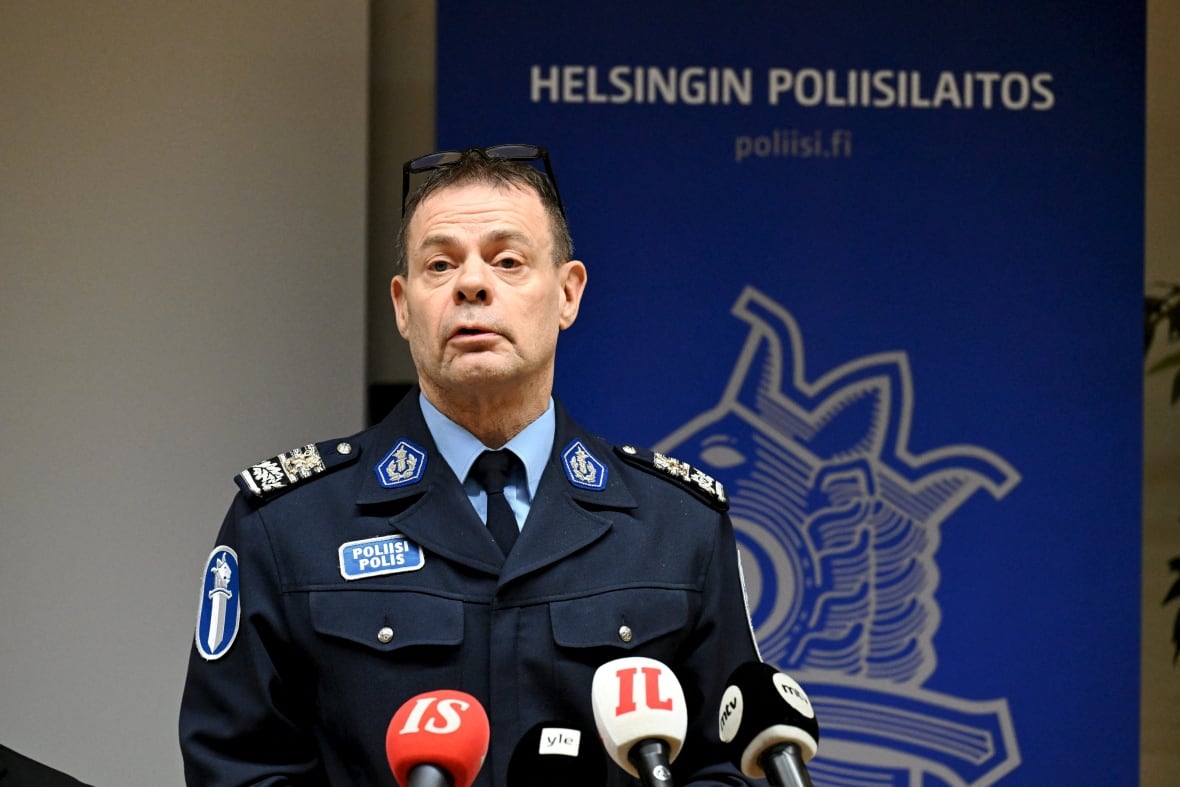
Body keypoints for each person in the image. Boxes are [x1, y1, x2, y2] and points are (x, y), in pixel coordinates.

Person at [179, 145, 765, 785]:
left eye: (508, 261)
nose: (472, 283)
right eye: (440, 264)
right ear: (403, 307)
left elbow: (726, 764)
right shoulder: (288, 526)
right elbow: (238, 769)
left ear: (568, 294)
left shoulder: (678, 527)